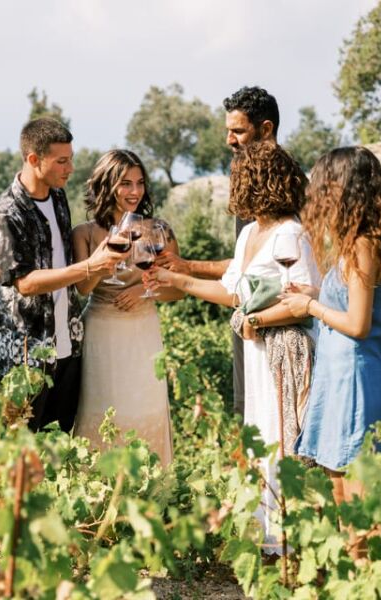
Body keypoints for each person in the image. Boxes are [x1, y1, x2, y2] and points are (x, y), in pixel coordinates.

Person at [147, 142, 320, 552]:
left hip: (283, 350)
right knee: (261, 437)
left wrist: (257, 318)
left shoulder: (292, 233)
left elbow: (305, 300)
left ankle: (293, 544)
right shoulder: (248, 235)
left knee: (285, 439)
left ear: (257, 182)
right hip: (255, 349)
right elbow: (232, 293)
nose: (232, 187)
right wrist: (181, 281)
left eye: (237, 179)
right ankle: (270, 541)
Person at [281, 146, 381, 530]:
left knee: (362, 512)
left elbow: (358, 325)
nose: (317, 195)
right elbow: (353, 304)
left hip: (356, 384)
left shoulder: (365, 245)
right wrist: (316, 295)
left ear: (344, 189)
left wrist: (311, 308)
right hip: (338, 382)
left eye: (324, 186)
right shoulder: (355, 244)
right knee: (341, 502)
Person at [0, 118, 125, 433]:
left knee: (59, 453)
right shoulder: (5, 214)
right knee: (18, 460)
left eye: (70, 159)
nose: (71, 168)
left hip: (67, 348)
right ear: (34, 160)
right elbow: (25, 283)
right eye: (62, 161)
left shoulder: (58, 198)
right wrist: (91, 265)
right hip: (26, 357)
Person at [154, 85, 281, 415]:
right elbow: (245, 266)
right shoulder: (251, 189)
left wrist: (183, 276)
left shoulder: (282, 193)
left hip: (275, 334)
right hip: (247, 324)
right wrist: (187, 266)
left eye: (238, 131)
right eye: (228, 131)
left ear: (265, 129)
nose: (229, 140)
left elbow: (274, 276)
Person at [71, 150, 183, 465]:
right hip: (102, 333)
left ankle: (149, 499)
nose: (135, 192)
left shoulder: (157, 230)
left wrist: (144, 292)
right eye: (125, 184)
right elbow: (82, 288)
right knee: (102, 410)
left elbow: (178, 289)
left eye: (140, 183)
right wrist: (104, 262)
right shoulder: (85, 233)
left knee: (144, 408)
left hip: (143, 334)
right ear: (107, 186)